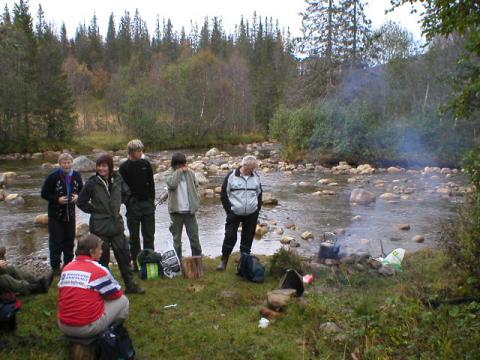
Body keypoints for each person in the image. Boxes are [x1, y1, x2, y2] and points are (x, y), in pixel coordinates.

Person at [77, 154, 145, 294]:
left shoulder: (118, 178)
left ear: (110, 166)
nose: (101, 168)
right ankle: (103, 289)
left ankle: (131, 286)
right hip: (100, 228)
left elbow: (126, 193)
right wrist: (94, 210)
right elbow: (81, 202)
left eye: (104, 166)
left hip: (116, 226)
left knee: (124, 257)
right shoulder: (92, 182)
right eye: (99, 166)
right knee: (102, 261)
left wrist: (117, 204)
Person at [58, 234, 129, 338]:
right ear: (91, 252)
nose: (102, 251)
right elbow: (116, 294)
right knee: (123, 301)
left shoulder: (67, 268)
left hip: (63, 325)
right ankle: (110, 330)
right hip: (86, 328)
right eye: (100, 249)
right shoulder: (99, 270)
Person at [217, 155, 262, 271]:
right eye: (252, 168)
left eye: (254, 168)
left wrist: (257, 209)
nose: (253, 170)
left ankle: (244, 263)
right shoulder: (231, 176)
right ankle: (224, 261)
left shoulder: (256, 177)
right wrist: (229, 211)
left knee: (247, 238)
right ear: (244, 165)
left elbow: (259, 193)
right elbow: (223, 194)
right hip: (234, 213)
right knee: (230, 236)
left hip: (251, 214)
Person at [41, 153, 83, 275]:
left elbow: (82, 190)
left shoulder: (76, 175)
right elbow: (44, 193)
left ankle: (68, 265)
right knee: (56, 242)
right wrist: (57, 199)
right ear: (59, 164)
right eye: (64, 163)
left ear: (72, 163)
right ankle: (55, 268)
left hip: (71, 214)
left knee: (69, 241)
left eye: (69, 162)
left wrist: (78, 197)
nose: (66, 165)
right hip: (56, 215)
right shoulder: (52, 177)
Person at [119, 139, 156, 271]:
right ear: (131, 152)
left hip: (147, 205)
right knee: (134, 237)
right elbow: (121, 188)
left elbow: (151, 184)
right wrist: (128, 202)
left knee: (149, 235)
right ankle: (136, 264)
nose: (140, 153)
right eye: (138, 151)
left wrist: (151, 201)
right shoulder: (124, 167)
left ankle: (150, 262)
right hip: (133, 206)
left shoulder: (146, 164)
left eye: (141, 150)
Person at [165, 153, 202, 259]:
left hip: (190, 212)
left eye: (183, 164)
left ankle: (197, 259)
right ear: (175, 164)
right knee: (176, 239)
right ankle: (178, 261)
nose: (182, 166)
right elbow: (172, 184)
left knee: (194, 237)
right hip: (176, 212)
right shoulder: (169, 173)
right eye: (180, 165)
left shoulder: (190, 173)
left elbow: (196, 186)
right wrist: (179, 172)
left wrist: (196, 200)